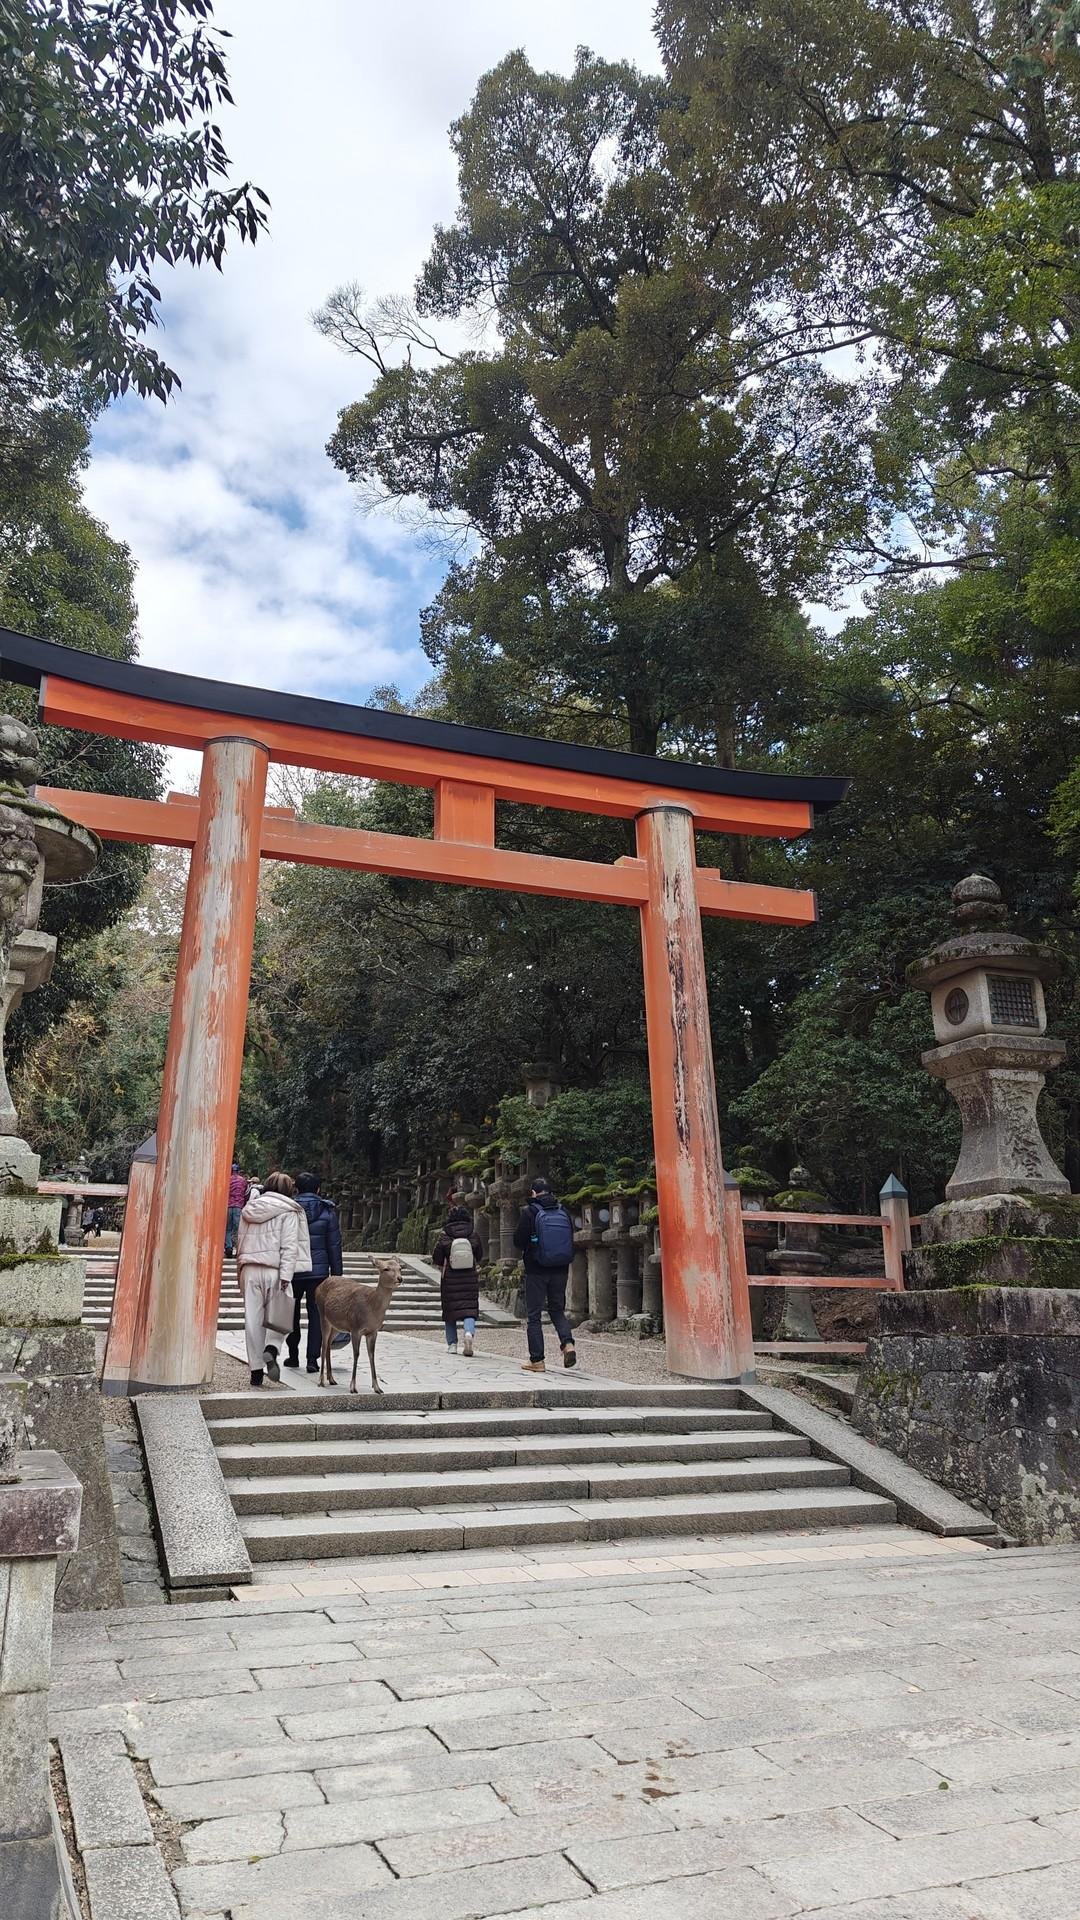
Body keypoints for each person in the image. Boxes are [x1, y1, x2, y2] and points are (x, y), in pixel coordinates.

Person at [236, 1170, 311, 1387]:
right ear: (289, 1190)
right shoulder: (289, 1211)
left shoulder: (248, 1210)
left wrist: (240, 1268)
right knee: (282, 1314)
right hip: (275, 1270)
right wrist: (287, 1275)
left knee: (252, 1320)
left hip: (250, 1268)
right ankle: (272, 1348)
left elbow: (240, 1240)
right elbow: (289, 1247)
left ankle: (256, 1370)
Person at [514, 1176, 576, 1374]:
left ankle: (537, 1360)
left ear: (533, 1192)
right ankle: (568, 1344)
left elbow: (518, 1241)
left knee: (534, 1315)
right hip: (560, 1268)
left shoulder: (530, 1212)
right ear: (550, 1192)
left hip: (536, 1269)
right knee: (557, 1310)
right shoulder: (563, 1211)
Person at [285, 1173, 344, 1374]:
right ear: (318, 1189)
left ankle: (293, 1355)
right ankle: (312, 1359)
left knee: (291, 1313)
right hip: (318, 1274)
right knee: (317, 1315)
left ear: (296, 1189)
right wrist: (337, 1276)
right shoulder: (327, 1213)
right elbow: (334, 1246)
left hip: (293, 1270)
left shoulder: (289, 1210)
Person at [432, 1202, 482, 1357]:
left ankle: (452, 1344)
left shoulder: (445, 1234)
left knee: (450, 1311)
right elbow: (479, 1254)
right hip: (469, 1276)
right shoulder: (472, 1233)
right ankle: (468, 1333)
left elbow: (437, 1257)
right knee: (469, 1310)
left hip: (450, 1278)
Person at [225, 1161, 249, 1258]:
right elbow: (247, 1194)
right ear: (238, 1171)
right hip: (239, 1206)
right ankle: (237, 1249)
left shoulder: (227, 1180)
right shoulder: (243, 1181)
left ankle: (229, 1247)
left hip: (228, 1206)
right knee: (238, 1229)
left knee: (228, 1229)